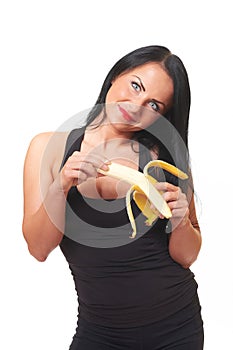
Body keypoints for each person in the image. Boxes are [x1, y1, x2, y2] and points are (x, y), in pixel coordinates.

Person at [22, 45, 204, 349]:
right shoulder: (47, 148)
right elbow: (38, 248)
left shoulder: (165, 159)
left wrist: (181, 220)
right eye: (135, 86)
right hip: (100, 332)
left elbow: (187, 256)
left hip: (176, 327)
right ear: (115, 76)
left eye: (154, 105)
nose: (136, 105)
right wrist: (61, 186)